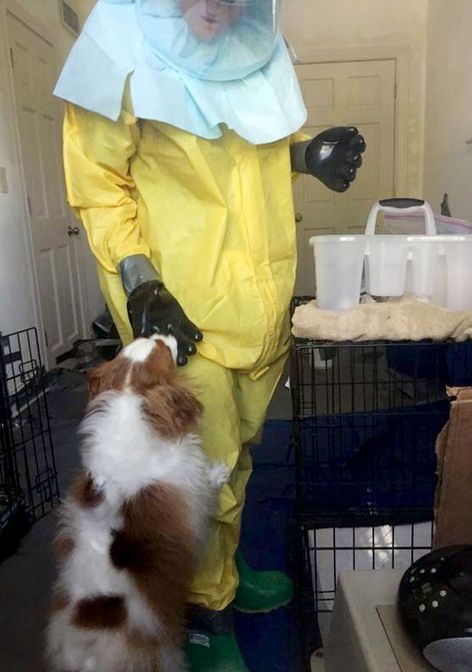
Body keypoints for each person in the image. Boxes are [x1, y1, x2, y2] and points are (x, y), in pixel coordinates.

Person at [54, 1, 365, 669]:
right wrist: (141, 283)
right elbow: (98, 187)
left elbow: (242, 158)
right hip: (182, 311)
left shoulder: (252, 42)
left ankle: (226, 568)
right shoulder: (118, 53)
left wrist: (307, 154)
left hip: (258, 299)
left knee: (242, 452)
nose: (216, 4)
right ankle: (204, 617)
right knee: (199, 471)